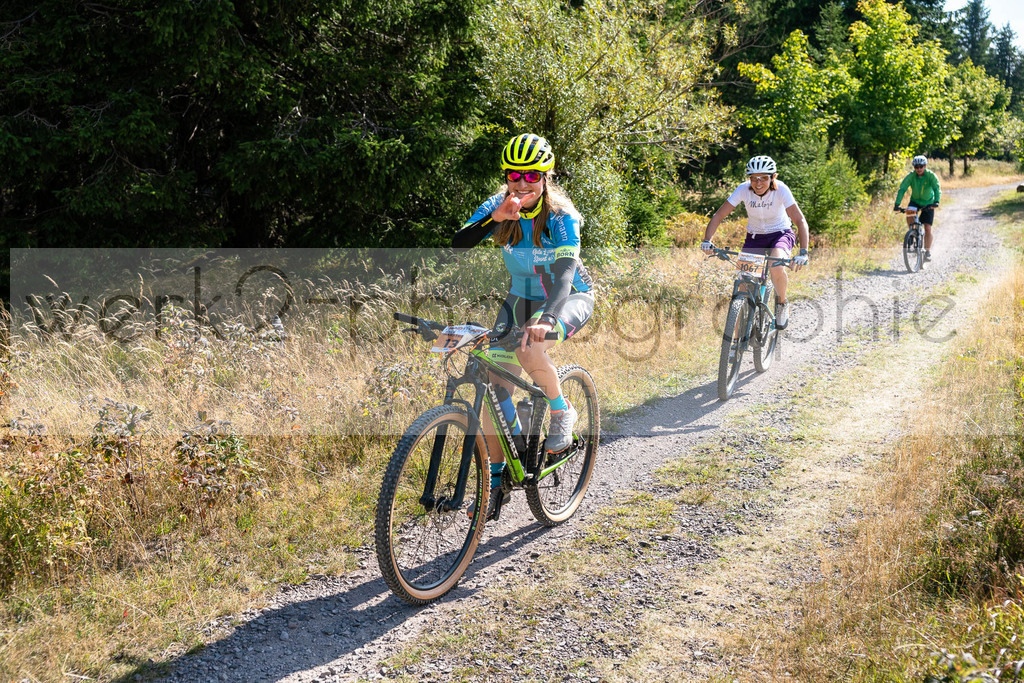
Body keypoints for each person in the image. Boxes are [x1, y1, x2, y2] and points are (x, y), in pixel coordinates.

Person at [452, 133, 595, 520]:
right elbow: (457, 245)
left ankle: (561, 410)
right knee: (491, 379)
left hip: (566, 297)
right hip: (520, 299)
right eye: (515, 174)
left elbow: (565, 276)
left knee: (529, 348)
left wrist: (547, 316)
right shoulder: (497, 204)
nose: (522, 182)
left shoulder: (563, 216)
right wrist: (492, 220)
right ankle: (499, 477)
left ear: (546, 177)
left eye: (532, 175)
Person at [700, 155, 810, 330]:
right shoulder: (743, 189)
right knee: (743, 285)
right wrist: (707, 241)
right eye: (754, 179)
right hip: (755, 238)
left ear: (773, 177)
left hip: (780, 234)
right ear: (749, 179)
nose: (758, 183)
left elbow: (799, 220)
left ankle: (782, 303)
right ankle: (734, 344)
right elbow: (719, 215)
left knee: (775, 264)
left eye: (764, 178)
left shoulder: (781, 189)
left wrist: (803, 252)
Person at [894, 155, 941, 262]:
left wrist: (936, 201)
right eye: (916, 167)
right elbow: (902, 189)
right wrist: (897, 204)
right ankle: (911, 234)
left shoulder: (931, 176)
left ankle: (927, 251)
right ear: (914, 167)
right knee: (909, 214)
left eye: (921, 166)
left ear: (925, 166)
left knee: (927, 228)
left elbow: (937, 188)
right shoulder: (911, 176)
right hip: (915, 201)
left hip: (928, 202)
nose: (919, 169)